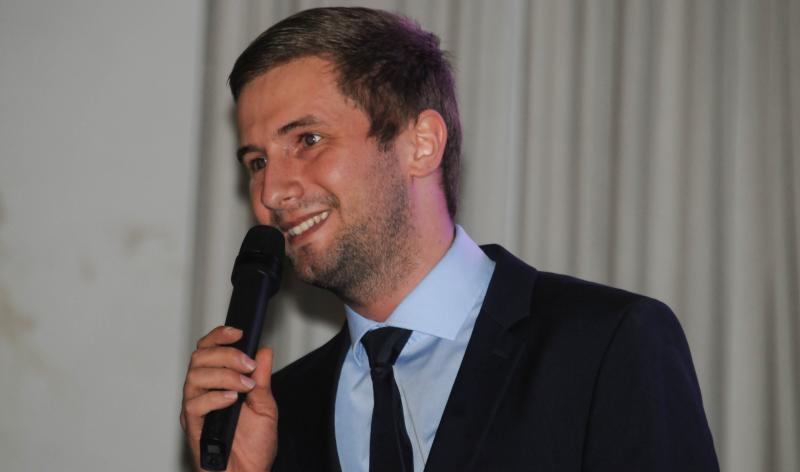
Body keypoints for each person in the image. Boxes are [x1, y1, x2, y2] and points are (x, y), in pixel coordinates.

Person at [181, 7, 719, 471]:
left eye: (308, 139)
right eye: (257, 162)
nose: (271, 192)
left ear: (421, 144)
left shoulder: (605, 344)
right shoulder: (281, 411)